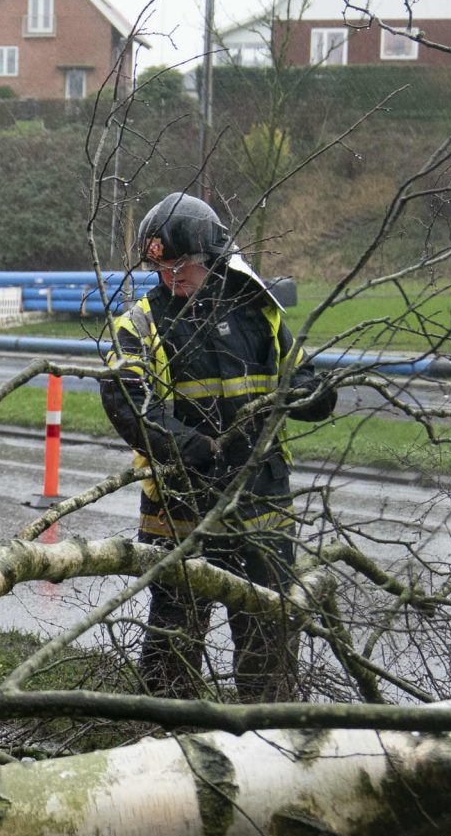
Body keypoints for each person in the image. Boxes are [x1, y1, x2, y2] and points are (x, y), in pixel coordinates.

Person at [101, 191, 335, 703]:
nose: (171, 279)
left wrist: (314, 394)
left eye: (181, 267)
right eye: (161, 269)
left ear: (212, 257)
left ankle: (268, 748)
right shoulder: (139, 324)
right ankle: (165, 753)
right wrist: (192, 447)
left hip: (261, 508)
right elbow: (128, 404)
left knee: (269, 643)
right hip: (182, 512)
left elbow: (307, 381)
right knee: (171, 648)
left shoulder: (259, 312)